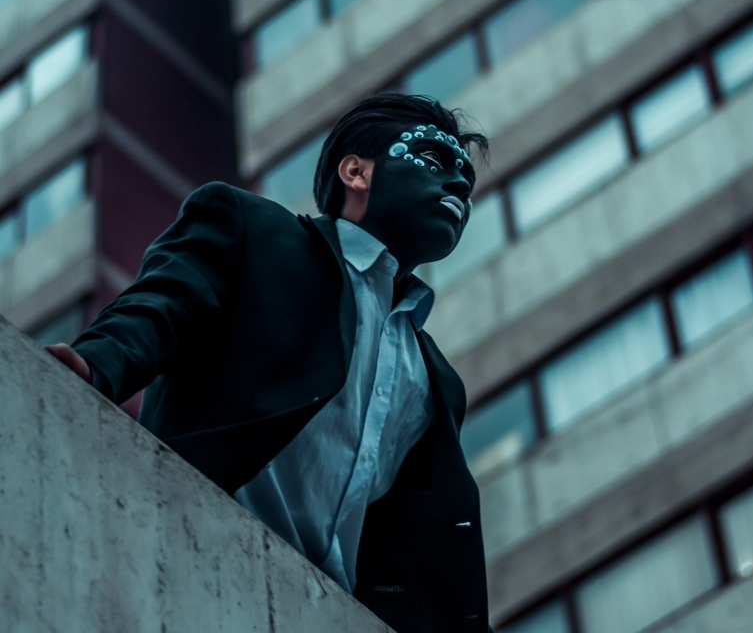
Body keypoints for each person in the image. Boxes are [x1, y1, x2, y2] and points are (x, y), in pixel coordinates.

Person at [45, 93, 492, 633]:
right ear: (356, 171)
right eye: (434, 160)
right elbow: (163, 307)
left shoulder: (436, 381)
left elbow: (418, 543)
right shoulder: (254, 232)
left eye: (465, 181)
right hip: (189, 558)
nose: (457, 187)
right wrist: (93, 366)